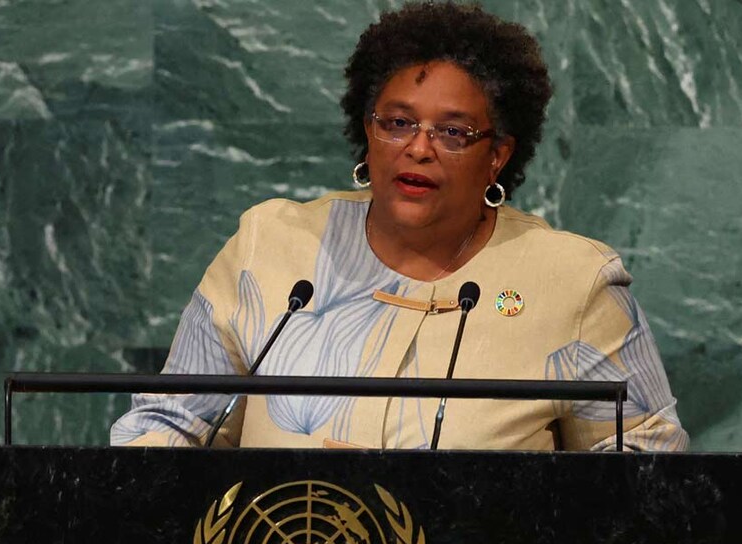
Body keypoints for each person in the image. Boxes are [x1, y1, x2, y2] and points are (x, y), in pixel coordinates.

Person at [111, 2, 688, 451]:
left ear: (499, 155)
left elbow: (646, 457)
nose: (418, 148)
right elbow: (169, 419)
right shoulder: (271, 247)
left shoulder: (571, 282)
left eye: (453, 132)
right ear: (367, 131)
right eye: (398, 122)